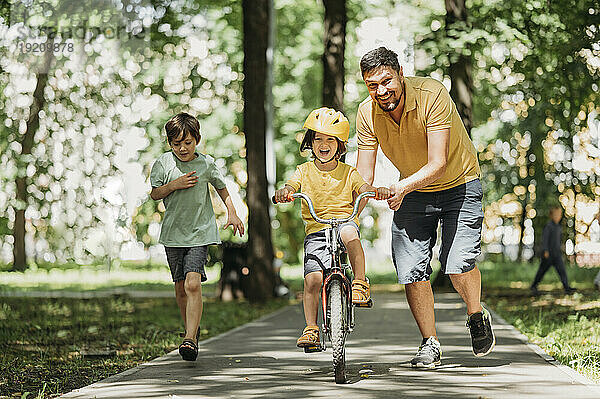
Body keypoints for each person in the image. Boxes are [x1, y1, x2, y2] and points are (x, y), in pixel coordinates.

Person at [355, 47, 495, 369]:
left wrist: (400, 187)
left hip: (458, 182)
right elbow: (364, 174)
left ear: (400, 73)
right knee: (410, 269)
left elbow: (438, 163)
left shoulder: (431, 94)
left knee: (457, 263)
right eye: (372, 85)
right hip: (413, 190)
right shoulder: (367, 113)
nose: (381, 91)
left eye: (386, 81)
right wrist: (351, 214)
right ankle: (430, 342)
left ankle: (475, 312)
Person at [273, 107, 390, 349]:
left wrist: (372, 190)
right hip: (317, 228)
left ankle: (359, 282)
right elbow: (292, 185)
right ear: (310, 142)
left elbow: (362, 187)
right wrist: (286, 191)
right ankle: (311, 328)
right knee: (313, 280)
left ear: (340, 144)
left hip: (344, 220)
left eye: (330, 139)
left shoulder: (348, 172)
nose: (323, 144)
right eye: (318, 138)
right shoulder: (303, 171)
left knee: (349, 233)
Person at [149, 112, 244, 361]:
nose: (183, 148)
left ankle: (189, 338)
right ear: (170, 143)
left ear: (197, 140)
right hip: (173, 234)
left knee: (193, 283)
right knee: (180, 288)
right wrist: (174, 185)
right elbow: (155, 194)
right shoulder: (163, 163)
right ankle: (191, 329)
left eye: (187, 143)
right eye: (177, 143)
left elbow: (222, 188)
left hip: (200, 232)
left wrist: (232, 213)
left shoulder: (206, 163)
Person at [530, 206, 575, 295]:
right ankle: (534, 285)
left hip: (557, 254)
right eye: (556, 215)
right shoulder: (548, 226)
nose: (558, 216)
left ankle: (566, 287)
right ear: (551, 215)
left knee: (562, 270)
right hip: (548, 254)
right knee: (542, 270)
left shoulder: (558, 227)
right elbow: (545, 239)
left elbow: (559, 240)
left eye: (559, 214)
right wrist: (545, 250)